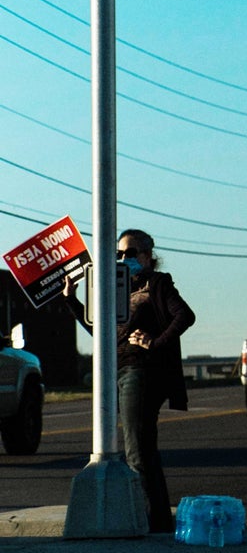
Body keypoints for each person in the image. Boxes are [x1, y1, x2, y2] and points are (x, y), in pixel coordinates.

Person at [64, 229, 196, 534]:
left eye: (131, 252)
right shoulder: (113, 288)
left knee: (137, 448)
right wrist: (71, 300)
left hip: (141, 370)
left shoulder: (157, 284)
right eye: (119, 253)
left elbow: (185, 316)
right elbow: (100, 331)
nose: (124, 258)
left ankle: (147, 517)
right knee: (141, 447)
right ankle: (159, 518)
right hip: (114, 369)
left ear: (148, 256)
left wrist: (155, 342)